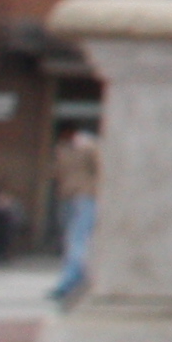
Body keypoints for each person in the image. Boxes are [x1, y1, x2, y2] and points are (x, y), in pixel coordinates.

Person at [51, 126, 100, 304]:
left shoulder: (74, 149)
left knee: (76, 240)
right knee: (75, 239)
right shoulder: (81, 149)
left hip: (77, 196)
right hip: (79, 196)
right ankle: (72, 280)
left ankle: (71, 281)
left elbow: (57, 173)